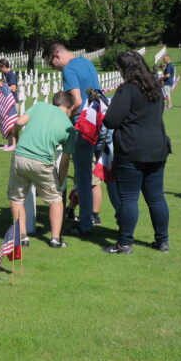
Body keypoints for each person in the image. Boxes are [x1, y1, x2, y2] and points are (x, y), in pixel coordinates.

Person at [102, 51, 171, 255]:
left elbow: (111, 121)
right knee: (156, 197)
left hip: (132, 149)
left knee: (129, 198)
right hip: (157, 147)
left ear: (125, 69)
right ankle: (162, 241)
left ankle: (124, 243)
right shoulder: (155, 87)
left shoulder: (128, 90)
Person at [42, 42, 100, 237]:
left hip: (82, 126)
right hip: (97, 122)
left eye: (51, 63)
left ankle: (85, 225)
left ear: (56, 55)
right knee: (99, 175)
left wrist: (62, 119)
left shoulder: (69, 70)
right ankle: (103, 218)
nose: (54, 67)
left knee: (82, 178)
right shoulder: (87, 64)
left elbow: (76, 100)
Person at [7, 91, 76, 248]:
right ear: (70, 108)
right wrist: (59, 181)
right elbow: (65, 161)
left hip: (20, 158)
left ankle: (22, 236)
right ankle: (55, 239)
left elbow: (19, 122)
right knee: (55, 199)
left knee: (17, 198)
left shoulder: (39, 106)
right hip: (42, 162)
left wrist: (15, 134)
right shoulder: (69, 128)